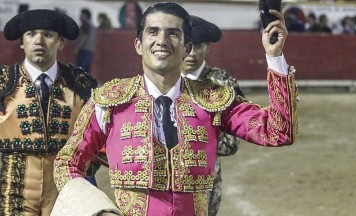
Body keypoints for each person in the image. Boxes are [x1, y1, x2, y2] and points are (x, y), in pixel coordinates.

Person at [52, 2, 298, 216]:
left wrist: (274, 57)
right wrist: (100, 211)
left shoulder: (212, 99)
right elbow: (67, 163)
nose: (161, 40)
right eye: (153, 32)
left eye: (173, 33)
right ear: (138, 44)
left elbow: (278, 131)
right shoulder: (109, 102)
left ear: (187, 47)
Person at [0, 9, 97, 215]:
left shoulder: (81, 84)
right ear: (21, 42)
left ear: (61, 42)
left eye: (48, 34)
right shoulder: (3, 82)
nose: (39, 40)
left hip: (66, 193)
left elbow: (98, 139)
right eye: (31, 33)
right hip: (12, 192)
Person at [181, 15, 245, 216]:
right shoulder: (161, 81)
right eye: (187, 46)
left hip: (203, 182)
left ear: (207, 47)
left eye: (198, 46)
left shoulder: (222, 83)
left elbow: (231, 145)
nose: (191, 53)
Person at [74, 8, 97, 73]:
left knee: (79, 71)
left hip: (83, 50)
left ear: (85, 15)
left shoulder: (85, 25)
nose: (80, 16)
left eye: (81, 14)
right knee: (86, 72)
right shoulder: (92, 26)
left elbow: (84, 37)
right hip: (90, 51)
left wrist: (77, 48)